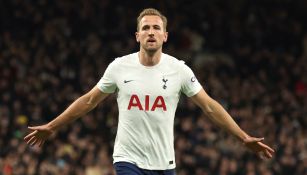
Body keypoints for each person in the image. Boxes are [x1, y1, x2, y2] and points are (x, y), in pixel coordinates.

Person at [24, 8, 274, 175]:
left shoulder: (179, 70)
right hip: (127, 159)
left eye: (156, 28)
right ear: (137, 35)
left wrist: (242, 137)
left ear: (165, 36)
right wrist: (53, 126)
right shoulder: (120, 67)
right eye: (145, 28)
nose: (151, 32)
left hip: (164, 163)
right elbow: (89, 100)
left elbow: (209, 106)